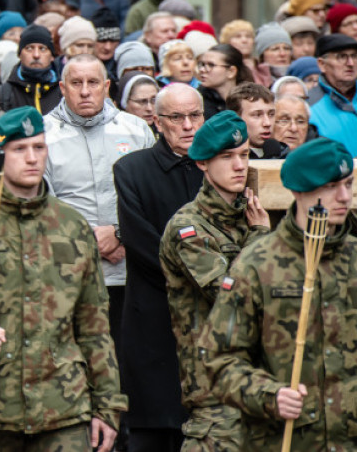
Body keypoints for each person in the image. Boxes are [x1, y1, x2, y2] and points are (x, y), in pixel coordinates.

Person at [0, 106, 126, 449]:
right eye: (20, 149)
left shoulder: (71, 226)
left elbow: (93, 326)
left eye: (39, 147)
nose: (32, 158)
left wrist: (107, 406)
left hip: (63, 408)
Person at [204, 138, 357, 452]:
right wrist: (269, 395)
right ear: (300, 190)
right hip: (285, 439)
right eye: (331, 187)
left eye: (348, 185)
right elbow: (217, 360)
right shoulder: (257, 265)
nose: (345, 197)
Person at [157, 111, 270, 451]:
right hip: (216, 396)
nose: (239, 165)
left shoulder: (254, 215)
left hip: (265, 387)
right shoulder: (188, 228)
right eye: (227, 157)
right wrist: (260, 239)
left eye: (245, 155)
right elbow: (228, 297)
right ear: (203, 163)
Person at [44, 54, 155, 368]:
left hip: (128, 272)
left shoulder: (136, 130)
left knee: (126, 363)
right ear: (62, 88)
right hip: (69, 274)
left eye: (93, 82)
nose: (85, 91)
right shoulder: (44, 135)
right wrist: (88, 239)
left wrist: (120, 234)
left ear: (107, 86)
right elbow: (43, 203)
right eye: (76, 83)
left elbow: (150, 196)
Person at [113, 83, 206, 450]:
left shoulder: (219, 168)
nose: (187, 125)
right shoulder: (131, 170)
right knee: (153, 424)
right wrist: (200, 276)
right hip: (154, 311)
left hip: (208, 316)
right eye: (176, 117)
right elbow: (140, 242)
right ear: (156, 122)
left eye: (195, 115)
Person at [306, 33, 357, 156]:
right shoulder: (309, 106)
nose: (350, 63)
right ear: (322, 64)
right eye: (342, 57)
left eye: (355, 56)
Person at [0, 24, 63, 113]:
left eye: (42, 49)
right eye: (29, 48)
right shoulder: (1, 95)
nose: (36, 55)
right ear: (19, 55)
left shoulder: (65, 93)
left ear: (52, 56)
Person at [227, 83, 288, 160]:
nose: (267, 123)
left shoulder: (287, 156)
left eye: (271, 114)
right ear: (235, 119)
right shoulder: (224, 160)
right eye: (257, 115)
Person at [197, 44, 252, 119]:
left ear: (231, 71)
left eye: (211, 65)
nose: (202, 70)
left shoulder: (251, 100)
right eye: (202, 64)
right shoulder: (197, 102)